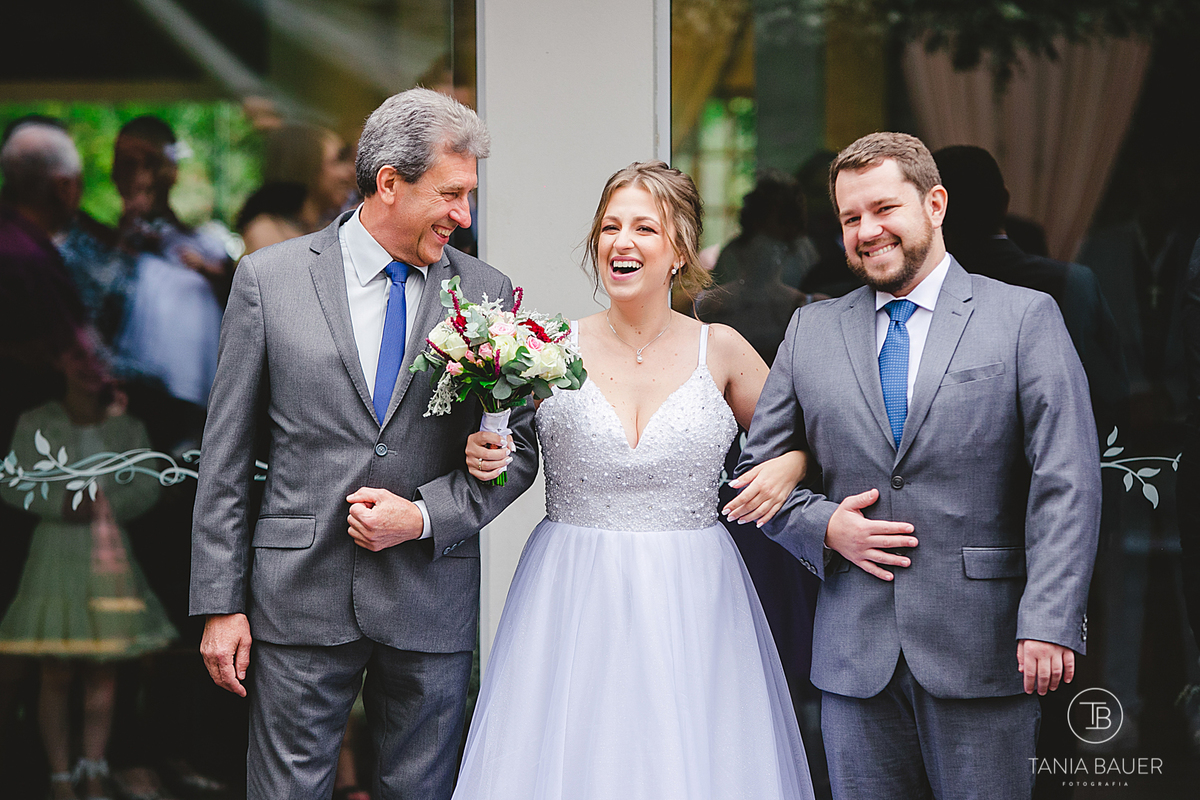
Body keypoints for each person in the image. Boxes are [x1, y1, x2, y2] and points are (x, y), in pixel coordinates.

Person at [190, 87, 538, 800]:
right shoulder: (269, 280)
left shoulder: (486, 291)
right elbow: (223, 457)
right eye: (451, 194)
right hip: (298, 596)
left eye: (469, 196)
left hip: (428, 597)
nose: (464, 216)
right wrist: (220, 604)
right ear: (388, 182)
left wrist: (425, 515)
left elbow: (519, 449)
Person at [738, 132, 1101, 799]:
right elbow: (757, 471)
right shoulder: (811, 331)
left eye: (883, 210)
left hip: (988, 648)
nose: (867, 231)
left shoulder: (1023, 318)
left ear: (934, 205)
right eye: (850, 219)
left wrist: (1049, 618)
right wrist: (825, 527)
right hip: (854, 657)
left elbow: (1066, 479)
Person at [454, 161, 816, 799]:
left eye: (644, 228)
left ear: (678, 248)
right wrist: (486, 453)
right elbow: (509, 452)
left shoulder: (723, 348)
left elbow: (808, 436)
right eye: (609, 228)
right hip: (570, 591)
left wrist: (790, 461)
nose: (622, 242)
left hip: (696, 592)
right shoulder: (546, 347)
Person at [0, 331, 177, 800]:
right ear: (59, 360)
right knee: (56, 670)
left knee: (105, 669)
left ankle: (94, 769)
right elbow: (12, 481)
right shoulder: (37, 421)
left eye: (96, 355)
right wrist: (62, 504)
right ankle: (60, 777)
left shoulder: (127, 425)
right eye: (77, 353)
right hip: (55, 554)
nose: (87, 364)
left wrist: (105, 506)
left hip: (107, 554)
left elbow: (149, 486)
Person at [933, 144, 1128, 430]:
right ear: (1005, 201)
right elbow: (1108, 391)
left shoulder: (924, 290)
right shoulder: (1072, 282)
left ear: (935, 211)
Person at [238, 122, 357, 257]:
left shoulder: (318, 229)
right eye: (338, 161)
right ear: (306, 168)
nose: (350, 172)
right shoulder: (266, 234)